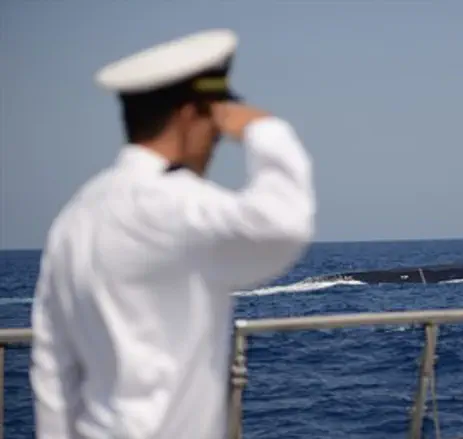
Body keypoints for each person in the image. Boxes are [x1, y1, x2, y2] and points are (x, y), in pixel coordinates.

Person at [29, 29, 316, 439]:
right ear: (190, 114)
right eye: (215, 120)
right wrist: (264, 130)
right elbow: (285, 225)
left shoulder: (75, 217)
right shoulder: (178, 204)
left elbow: (53, 369)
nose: (217, 138)